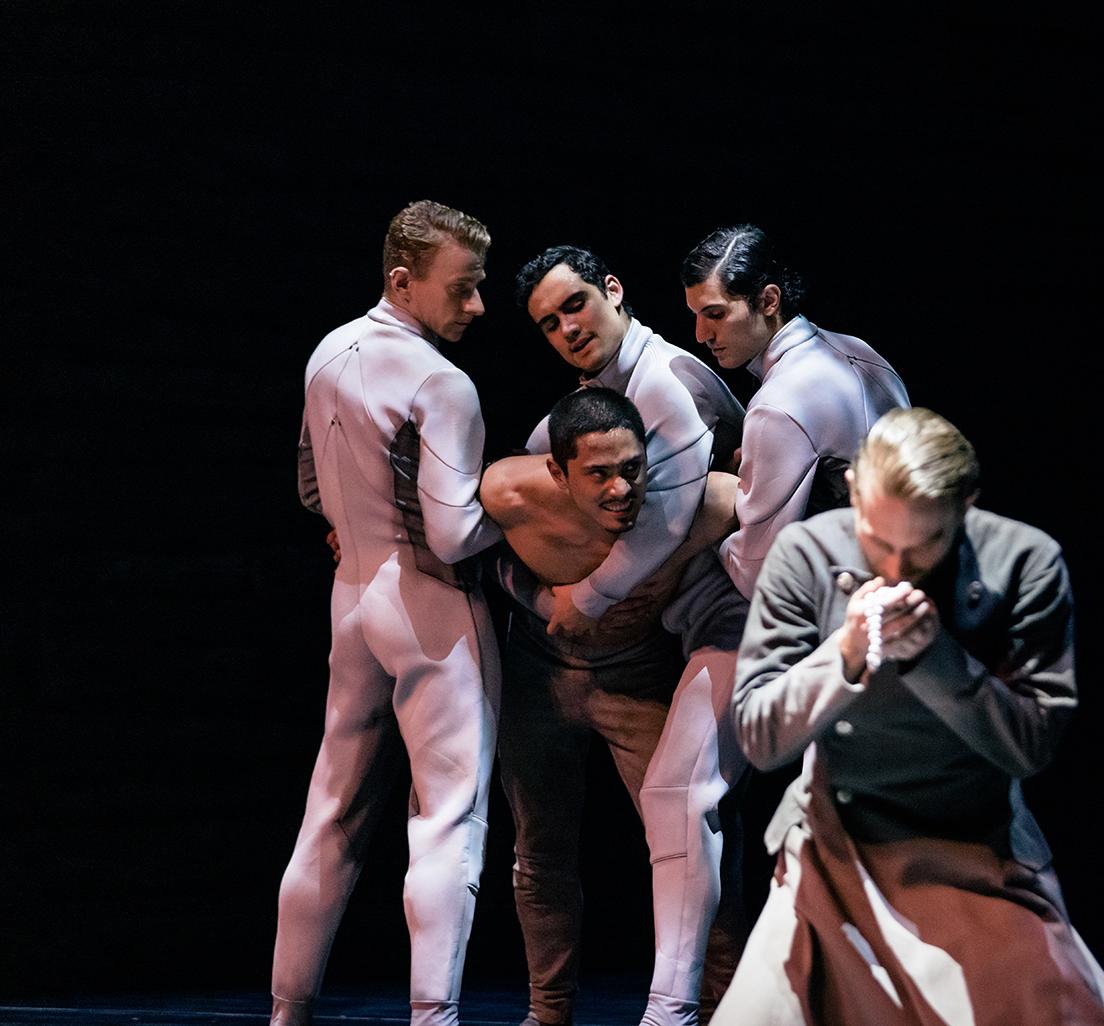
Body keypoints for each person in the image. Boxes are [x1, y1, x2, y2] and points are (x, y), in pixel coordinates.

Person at [715, 408, 1104, 1026]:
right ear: (854, 491)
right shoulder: (804, 553)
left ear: (967, 505)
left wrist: (935, 658)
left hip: (975, 842)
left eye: (924, 547)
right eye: (879, 543)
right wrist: (846, 652)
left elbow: (1033, 745)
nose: (896, 568)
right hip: (836, 839)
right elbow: (758, 737)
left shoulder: (1024, 559)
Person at [488, 245, 748, 1026]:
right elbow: (477, 531)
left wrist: (591, 599)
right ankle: (548, 1009)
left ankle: (728, 1007)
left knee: (687, 836)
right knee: (539, 850)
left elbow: (682, 519)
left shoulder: (675, 391)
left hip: (654, 652)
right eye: (548, 323)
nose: (567, 329)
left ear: (613, 290)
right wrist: (540, 596)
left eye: (576, 306)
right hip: (545, 661)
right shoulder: (565, 426)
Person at [272, 200, 503, 1026]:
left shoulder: (327, 351)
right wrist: (529, 508)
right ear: (402, 282)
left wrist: (358, 523)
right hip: (429, 604)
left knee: (329, 812)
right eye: (464, 288)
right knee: (448, 819)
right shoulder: (443, 382)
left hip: (352, 602)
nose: (476, 306)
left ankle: (286, 1013)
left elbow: (309, 490)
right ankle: (433, 1017)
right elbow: (456, 529)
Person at [681, 224, 910, 599]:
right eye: (696, 315)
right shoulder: (861, 350)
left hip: (858, 602)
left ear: (769, 301)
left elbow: (758, 578)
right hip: (916, 564)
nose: (700, 334)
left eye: (715, 314)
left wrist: (706, 542)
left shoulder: (778, 405)